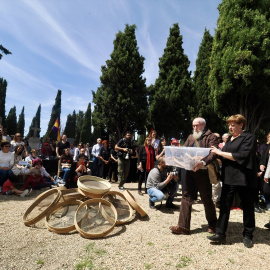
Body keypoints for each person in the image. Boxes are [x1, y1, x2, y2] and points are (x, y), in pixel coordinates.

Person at [207, 114, 257, 248]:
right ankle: (220, 234)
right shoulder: (229, 139)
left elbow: (242, 156)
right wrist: (214, 157)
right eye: (229, 125)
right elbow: (225, 158)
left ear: (241, 125)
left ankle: (248, 235)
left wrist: (220, 152)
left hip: (244, 178)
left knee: (247, 207)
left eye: (233, 125)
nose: (230, 127)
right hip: (229, 178)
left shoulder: (249, 138)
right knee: (224, 207)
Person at [169, 117, 218, 235]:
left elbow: (214, 153)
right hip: (190, 171)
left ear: (204, 125)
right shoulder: (190, 137)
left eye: (198, 125)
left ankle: (213, 224)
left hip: (204, 171)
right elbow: (184, 150)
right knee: (186, 196)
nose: (195, 128)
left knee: (206, 198)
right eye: (193, 126)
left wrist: (203, 161)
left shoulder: (212, 137)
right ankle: (183, 226)